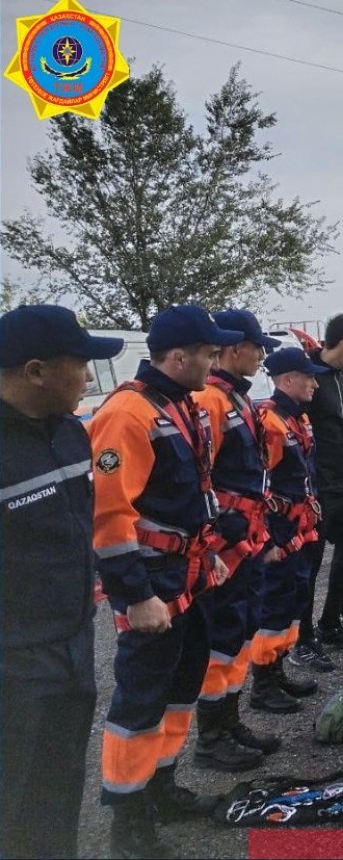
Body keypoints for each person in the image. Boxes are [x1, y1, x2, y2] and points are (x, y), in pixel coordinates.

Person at [88, 304, 242, 858]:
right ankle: (128, 824)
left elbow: (192, 491)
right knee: (140, 702)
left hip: (189, 573)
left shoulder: (180, 405)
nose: (214, 361)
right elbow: (109, 518)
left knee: (182, 686)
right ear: (179, 357)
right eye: (207, 353)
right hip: (151, 584)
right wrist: (136, 596)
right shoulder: (127, 414)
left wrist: (211, 552)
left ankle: (163, 788)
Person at [0, 306, 123, 859]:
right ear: (35, 371)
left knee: (58, 792)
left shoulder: (72, 433)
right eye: (82, 366)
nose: (90, 379)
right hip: (13, 665)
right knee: (13, 804)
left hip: (72, 645)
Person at [192, 309, 283, 772]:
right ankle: (210, 737)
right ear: (233, 349)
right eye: (257, 346)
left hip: (247, 539)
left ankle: (229, 721)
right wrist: (214, 538)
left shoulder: (240, 399)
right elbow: (197, 475)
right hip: (224, 545)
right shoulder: (209, 399)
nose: (262, 354)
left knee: (241, 630)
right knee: (221, 636)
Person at [293, 313, 343, 667]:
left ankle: (331, 620)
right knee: (308, 569)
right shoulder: (310, 377)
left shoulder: (341, 378)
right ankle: (303, 640)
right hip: (319, 491)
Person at [254, 347, 332, 698]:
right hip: (279, 530)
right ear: (287, 380)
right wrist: (266, 539)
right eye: (309, 377)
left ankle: (278, 669)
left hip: (300, 528)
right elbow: (258, 486)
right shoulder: (270, 423)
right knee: (274, 604)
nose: (315, 384)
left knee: (293, 599)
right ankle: (263, 684)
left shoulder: (297, 418)